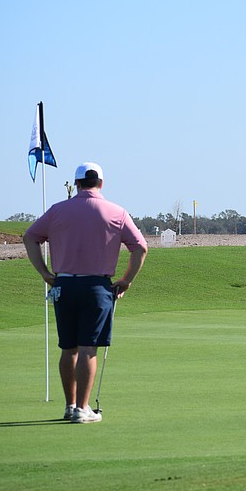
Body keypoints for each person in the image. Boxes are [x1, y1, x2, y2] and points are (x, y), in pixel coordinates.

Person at [23, 162, 148, 422]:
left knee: (68, 348)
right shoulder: (116, 211)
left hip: (64, 285)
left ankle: (70, 406)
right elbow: (140, 248)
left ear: (77, 183)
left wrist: (45, 274)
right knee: (88, 347)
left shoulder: (58, 210)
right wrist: (126, 281)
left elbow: (30, 237)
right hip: (97, 287)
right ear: (101, 183)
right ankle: (82, 409)